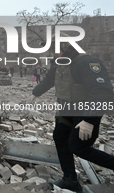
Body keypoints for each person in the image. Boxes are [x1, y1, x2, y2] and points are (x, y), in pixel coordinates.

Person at [30, 34, 114, 192]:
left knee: (78, 147)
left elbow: (101, 93)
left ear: (67, 47)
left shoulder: (86, 63)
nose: (52, 52)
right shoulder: (59, 62)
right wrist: (35, 93)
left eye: (54, 49)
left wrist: (89, 120)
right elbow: (49, 79)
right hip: (66, 110)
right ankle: (70, 180)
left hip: (87, 112)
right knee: (60, 137)